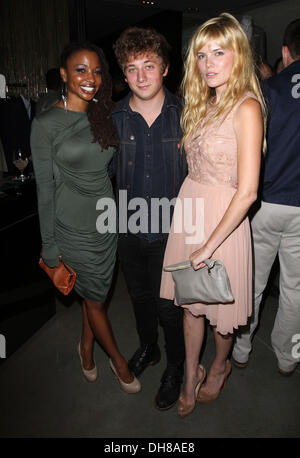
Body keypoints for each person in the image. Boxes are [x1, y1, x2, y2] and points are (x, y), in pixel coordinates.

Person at [160, 12, 265, 417]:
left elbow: (249, 191)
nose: (208, 64)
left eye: (218, 53)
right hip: (192, 210)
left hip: (226, 220)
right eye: (202, 55)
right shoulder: (203, 103)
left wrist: (208, 243)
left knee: (222, 313)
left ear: (237, 55)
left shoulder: (247, 107)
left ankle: (219, 366)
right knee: (189, 304)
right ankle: (190, 374)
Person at [30, 42, 140, 394]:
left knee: (95, 295)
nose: (90, 78)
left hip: (105, 223)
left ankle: (86, 346)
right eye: (80, 70)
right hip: (72, 228)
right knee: (94, 300)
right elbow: (44, 191)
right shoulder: (45, 124)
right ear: (64, 74)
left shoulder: (103, 113)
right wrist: (50, 249)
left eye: (96, 70)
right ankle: (119, 361)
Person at [111, 27, 187, 410]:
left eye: (149, 65)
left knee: (168, 308)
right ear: (123, 75)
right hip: (128, 227)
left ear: (165, 69)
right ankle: (149, 349)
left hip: (172, 231)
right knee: (139, 298)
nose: (141, 76)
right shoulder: (113, 118)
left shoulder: (187, 116)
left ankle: (176, 365)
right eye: (131, 68)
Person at [232, 18, 300, 376]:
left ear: (286, 52)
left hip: (265, 201)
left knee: (253, 282)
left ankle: (240, 351)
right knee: (295, 290)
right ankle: (288, 358)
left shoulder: (268, 89)